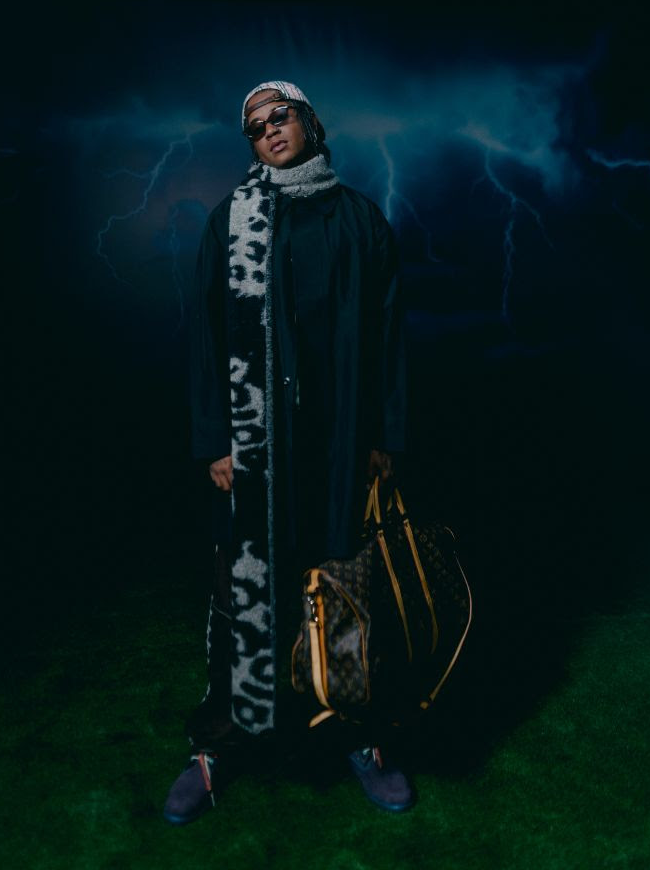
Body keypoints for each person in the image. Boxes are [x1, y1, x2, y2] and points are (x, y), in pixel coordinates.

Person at [164, 80, 412, 823]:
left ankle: (356, 734)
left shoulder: (360, 219)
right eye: (256, 126)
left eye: (282, 116)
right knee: (244, 596)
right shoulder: (231, 220)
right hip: (257, 448)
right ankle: (219, 745)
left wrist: (384, 437)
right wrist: (216, 438)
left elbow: (389, 335)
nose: (270, 130)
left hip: (338, 446)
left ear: (310, 122)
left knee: (343, 590)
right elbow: (205, 334)